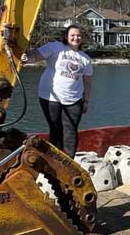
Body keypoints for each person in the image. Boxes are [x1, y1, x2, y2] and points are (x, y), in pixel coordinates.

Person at [21, 24, 93, 158]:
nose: (76, 38)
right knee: (55, 129)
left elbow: (87, 82)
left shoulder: (85, 59)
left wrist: (86, 100)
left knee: (71, 131)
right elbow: (36, 56)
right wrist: (26, 59)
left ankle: (69, 162)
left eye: (78, 36)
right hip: (50, 98)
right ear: (66, 36)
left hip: (74, 100)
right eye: (72, 35)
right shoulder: (55, 47)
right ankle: (55, 160)